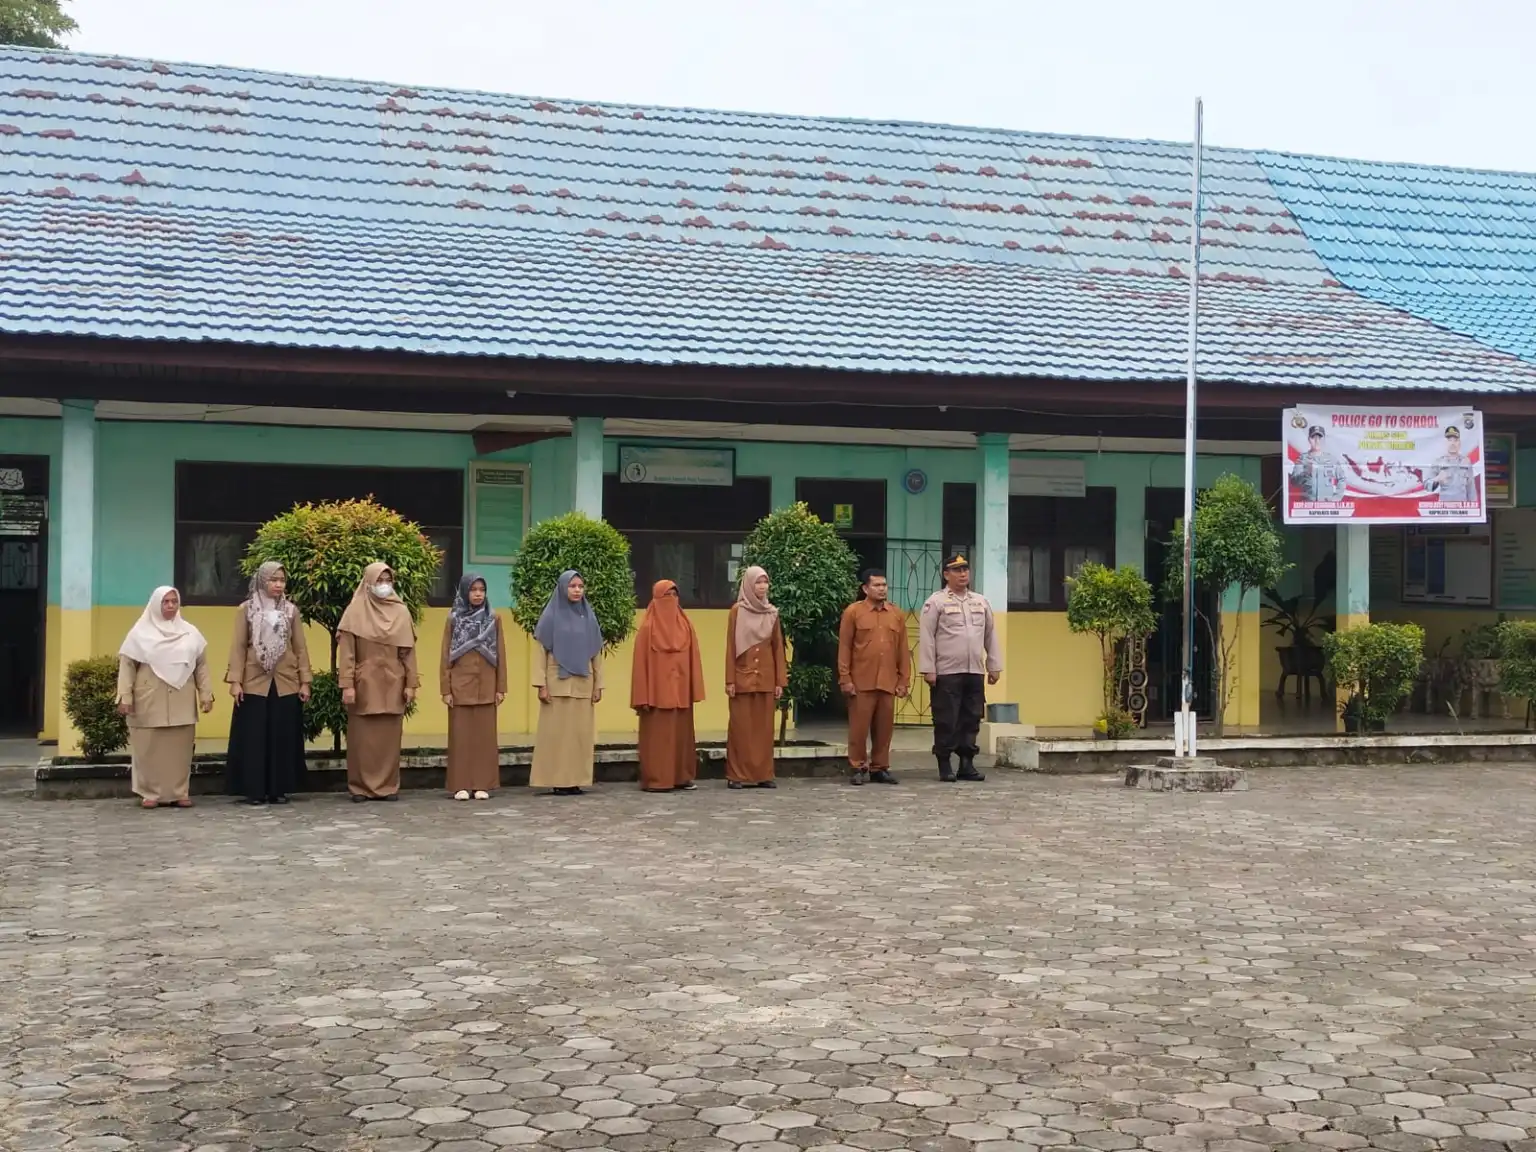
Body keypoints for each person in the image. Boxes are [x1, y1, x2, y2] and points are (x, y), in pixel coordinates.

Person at [116, 585, 214, 809]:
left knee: (179, 749)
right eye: (165, 602)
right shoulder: (139, 633)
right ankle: (150, 793)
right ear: (155, 604)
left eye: (174, 602)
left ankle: (180, 792)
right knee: (148, 747)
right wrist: (125, 697)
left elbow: (201, 666)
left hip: (182, 697)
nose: (170, 606)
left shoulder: (190, 632)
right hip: (149, 697)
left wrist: (206, 694)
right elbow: (128, 666)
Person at [225, 561, 312, 806]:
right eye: (273, 579)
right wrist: (235, 681)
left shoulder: (291, 611)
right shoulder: (246, 609)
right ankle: (254, 790)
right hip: (254, 681)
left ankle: (279, 788)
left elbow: (300, 647)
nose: (278, 584)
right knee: (254, 737)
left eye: (282, 580)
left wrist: (305, 681)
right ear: (262, 580)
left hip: (285, 680)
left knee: (282, 736)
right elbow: (239, 647)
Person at [337, 562, 418, 802]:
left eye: (387, 581)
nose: (384, 586)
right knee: (362, 739)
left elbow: (409, 653)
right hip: (364, 683)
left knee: (389, 739)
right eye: (379, 581)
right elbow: (348, 653)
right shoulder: (354, 612)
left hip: (393, 682)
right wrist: (347, 685)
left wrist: (411, 684)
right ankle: (360, 787)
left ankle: (388, 786)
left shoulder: (401, 612)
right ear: (368, 583)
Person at [918, 554, 1002, 783]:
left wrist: (994, 665)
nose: (963, 573)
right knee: (947, 719)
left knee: (971, 718)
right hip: (946, 672)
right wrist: (928, 669)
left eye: (965, 569)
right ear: (946, 574)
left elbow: (990, 635)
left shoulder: (980, 601)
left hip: (974, 671)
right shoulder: (935, 602)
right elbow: (926, 637)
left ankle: (967, 764)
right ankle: (944, 764)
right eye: (956, 570)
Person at [531, 569, 604, 796]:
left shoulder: (589, 618)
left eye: (580, 587)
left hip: (583, 684)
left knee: (579, 737)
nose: (577, 590)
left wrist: (598, 685)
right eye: (572, 586)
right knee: (556, 737)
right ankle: (557, 781)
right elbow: (540, 652)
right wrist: (540, 683)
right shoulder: (551, 616)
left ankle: (575, 780)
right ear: (563, 588)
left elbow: (596, 654)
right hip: (557, 685)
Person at [838, 568, 910, 786]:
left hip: (887, 680)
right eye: (877, 585)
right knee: (858, 729)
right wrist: (845, 678)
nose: (882, 589)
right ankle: (858, 766)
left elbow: (903, 650)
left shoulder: (896, 614)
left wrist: (903, 680)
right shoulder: (853, 612)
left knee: (884, 728)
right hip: (861, 681)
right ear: (865, 588)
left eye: (884, 585)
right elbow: (844, 647)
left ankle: (880, 767)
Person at [631, 579, 705, 792]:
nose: (671, 601)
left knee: (682, 739)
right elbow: (640, 667)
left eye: (674, 596)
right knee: (658, 740)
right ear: (656, 599)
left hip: (681, 694)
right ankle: (657, 779)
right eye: (666, 596)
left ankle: (682, 777)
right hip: (655, 697)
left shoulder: (686, 626)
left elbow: (694, 660)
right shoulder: (647, 629)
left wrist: (694, 689)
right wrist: (641, 697)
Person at [441, 573, 507, 800]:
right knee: (460, 738)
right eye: (473, 589)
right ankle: (460, 785)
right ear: (465, 592)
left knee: (484, 739)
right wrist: (445, 689)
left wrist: (501, 687)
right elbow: (445, 656)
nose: (478, 594)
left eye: (482, 590)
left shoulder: (494, 618)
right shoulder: (453, 619)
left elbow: (501, 655)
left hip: (487, 685)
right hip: (460, 686)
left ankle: (482, 784)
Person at [724, 565, 786, 790]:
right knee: (741, 729)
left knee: (764, 729)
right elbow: (731, 647)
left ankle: (763, 774)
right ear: (749, 585)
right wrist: (729, 680)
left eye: (765, 582)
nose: (762, 586)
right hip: (742, 679)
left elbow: (778, 648)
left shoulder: (772, 613)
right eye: (758, 582)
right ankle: (737, 775)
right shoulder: (737, 611)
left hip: (766, 679)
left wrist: (780, 681)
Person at [1290, 425, 1344, 502]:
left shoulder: (1332, 459)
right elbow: (1293, 482)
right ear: (1309, 439)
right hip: (1308, 505)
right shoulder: (1302, 459)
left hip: (1327, 505)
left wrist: (1337, 498)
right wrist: (1305, 473)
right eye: (1313, 438)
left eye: (1320, 438)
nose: (1317, 441)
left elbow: (1342, 479)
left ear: (1324, 439)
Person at [1429, 424, 1475, 504]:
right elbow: (1427, 486)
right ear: (1445, 442)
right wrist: (1437, 479)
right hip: (1443, 510)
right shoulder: (1438, 462)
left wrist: (1473, 509)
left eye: (1455, 440)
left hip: (1462, 510)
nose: (1452, 443)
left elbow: (1471, 488)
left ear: (1459, 443)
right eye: (1449, 440)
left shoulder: (1466, 461)